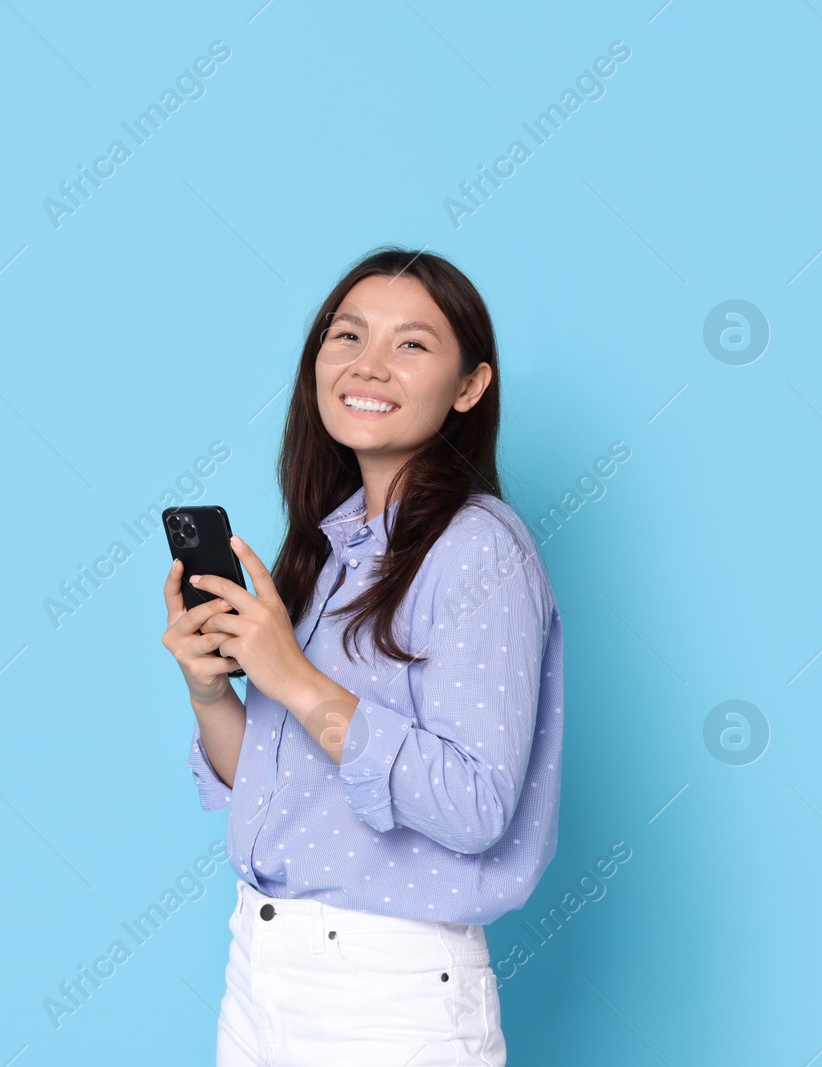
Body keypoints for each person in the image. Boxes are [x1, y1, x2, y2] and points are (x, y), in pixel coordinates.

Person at [160, 247, 563, 1065]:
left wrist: (296, 679)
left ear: (469, 386)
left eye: (411, 344)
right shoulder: (328, 548)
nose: (367, 365)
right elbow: (280, 786)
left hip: (388, 993)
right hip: (263, 970)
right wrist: (210, 690)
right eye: (347, 336)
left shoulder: (480, 549)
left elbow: (477, 805)